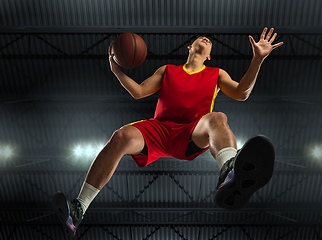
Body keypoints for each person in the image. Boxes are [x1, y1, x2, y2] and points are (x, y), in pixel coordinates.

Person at [52, 27, 283, 237]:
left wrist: (258, 59)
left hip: (192, 131)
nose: (205, 39)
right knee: (120, 136)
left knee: (217, 118)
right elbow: (139, 92)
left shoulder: (216, 74)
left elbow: (242, 93)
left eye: (209, 41)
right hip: (159, 130)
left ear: (209, 56)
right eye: (199, 39)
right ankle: (78, 209)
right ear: (189, 47)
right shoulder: (168, 70)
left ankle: (230, 170)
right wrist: (116, 70)